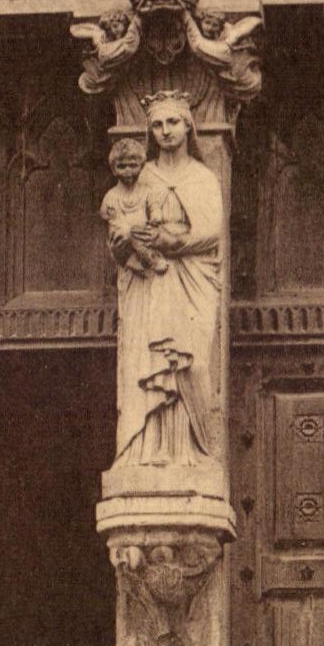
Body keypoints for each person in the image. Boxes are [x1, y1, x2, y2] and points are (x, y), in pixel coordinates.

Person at [106, 90, 224, 467]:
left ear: (189, 126)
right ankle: (150, 450)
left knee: (194, 364)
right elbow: (121, 234)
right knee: (153, 360)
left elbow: (212, 230)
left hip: (191, 274)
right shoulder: (143, 176)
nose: (165, 131)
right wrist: (127, 240)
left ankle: (192, 451)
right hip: (151, 280)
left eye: (173, 122)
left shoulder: (202, 176)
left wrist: (173, 240)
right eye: (157, 124)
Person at [100, 140, 165, 277]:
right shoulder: (111, 196)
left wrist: (155, 216)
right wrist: (126, 231)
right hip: (122, 241)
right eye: (122, 166)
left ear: (141, 167)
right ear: (113, 169)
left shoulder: (147, 192)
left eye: (133, 166)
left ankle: (149, 259)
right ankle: (133, 261)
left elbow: (155, 208)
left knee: (139, 235)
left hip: (142, 233)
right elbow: (113, 223)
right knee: (121, 237)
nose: (128, 171)